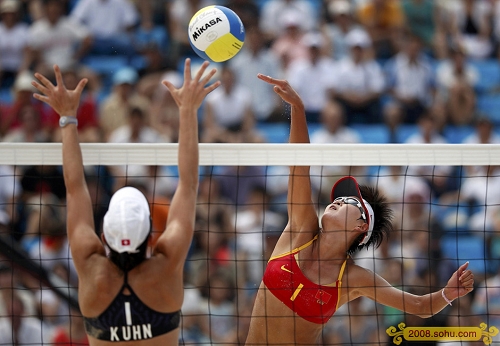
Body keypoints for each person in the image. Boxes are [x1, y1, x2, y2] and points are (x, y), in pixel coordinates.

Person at [244, 74, 475, 345]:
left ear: (361, 225)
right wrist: (298, 108)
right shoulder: (300, 229)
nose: (339, 201)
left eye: (350, 202)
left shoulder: (353, 278)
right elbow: (299, 164)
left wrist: (448, 293)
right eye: (340, 199)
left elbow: (420, 306)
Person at [31, 58, 220, 344]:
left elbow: (73, 188)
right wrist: (188, 111)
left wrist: (67, 117)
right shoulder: (165, 267)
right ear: (150, 234)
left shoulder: (91, 268)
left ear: (105, 234)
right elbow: (189, 184)